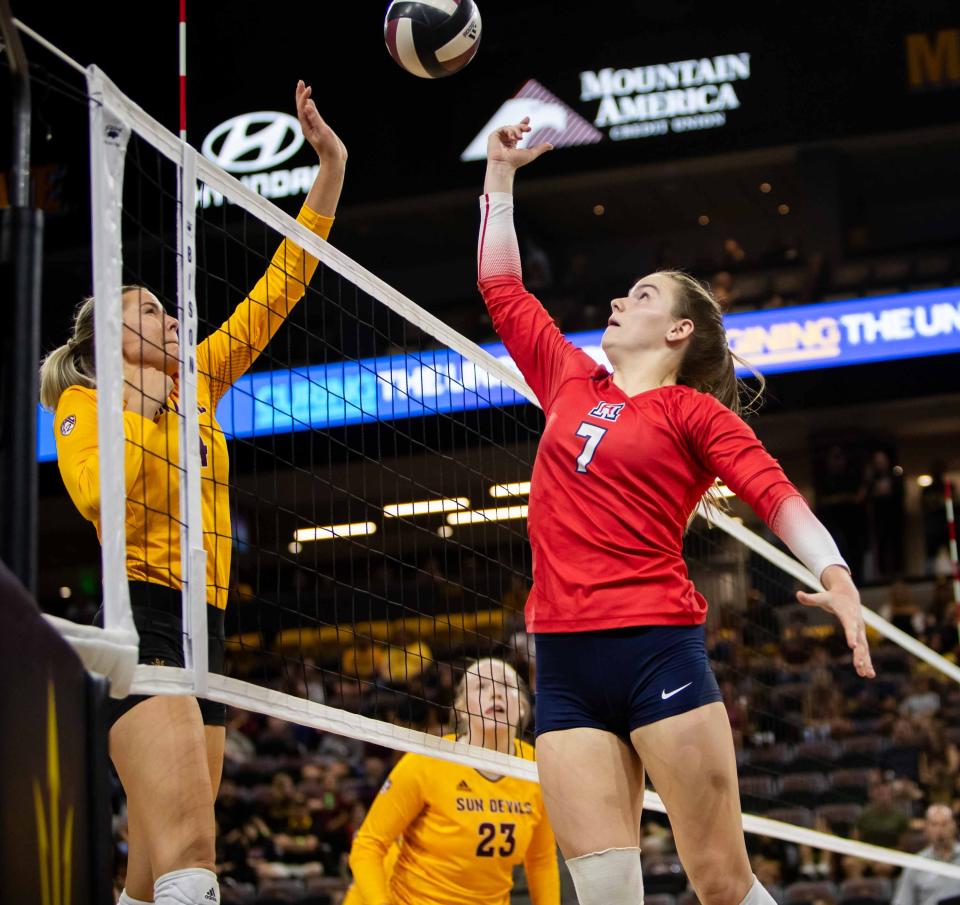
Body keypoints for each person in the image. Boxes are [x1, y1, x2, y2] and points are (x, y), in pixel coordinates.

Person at [475, 117, 875, 905]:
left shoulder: (695, 413)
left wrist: (835, 573)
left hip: (656, 648)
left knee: (721, 884)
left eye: (645, 295)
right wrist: (499, 177)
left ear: (680, 329)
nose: (621, 299)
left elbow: (775, 494)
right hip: (561, 662)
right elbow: (502, 289)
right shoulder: (568, 379)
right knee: (605, 893)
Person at [39, 82, 347, 905]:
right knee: (191, 855)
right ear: (107, 342)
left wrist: (330, 169)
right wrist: (146, 402)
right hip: (139, 618)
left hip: (207, 627)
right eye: (150, 309)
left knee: (152, 867)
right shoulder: (87, 402)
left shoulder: (198, 382)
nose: (174, 316)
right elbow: (107, 497)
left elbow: (284, 284)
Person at [345, 658, 559, 905]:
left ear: (522, 707)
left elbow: (541, 860)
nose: (495, 692)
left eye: (505, 685)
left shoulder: (534, 768)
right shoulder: (427, 761)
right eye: (481, 686)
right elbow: (368, 845)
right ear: (462, 708)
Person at [892, 805, 960, 905]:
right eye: (934, 824)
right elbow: (903, 901)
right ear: (927, 829)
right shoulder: (916, 865)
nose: (940, 830)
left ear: (954, 826)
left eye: (945, 824)